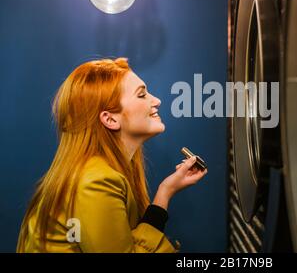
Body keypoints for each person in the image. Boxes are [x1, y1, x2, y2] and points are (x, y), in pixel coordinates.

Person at [16, 58, 207, 252]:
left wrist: (165, 191)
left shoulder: (103, 172)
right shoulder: (97, 181)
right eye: (142, 95)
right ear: (109, 119)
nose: (156, 101)